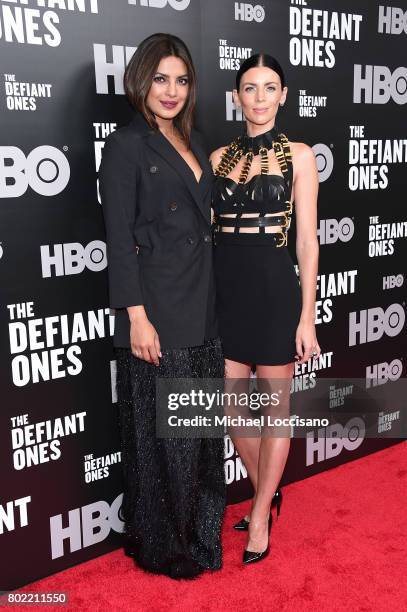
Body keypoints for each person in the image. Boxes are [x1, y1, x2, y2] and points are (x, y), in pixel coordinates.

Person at [99, 33, 225, 579]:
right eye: (160, 79)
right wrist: (137, 317)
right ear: (140, 81)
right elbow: (118, 238)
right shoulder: (126, 146)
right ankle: (164, 544)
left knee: (200, 431)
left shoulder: (196, 141)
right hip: (160, 310)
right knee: (167, 439)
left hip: (205, 306)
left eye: (181, 79)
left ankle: (202, 534)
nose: (171, 90)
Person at [210, 53, 321, 565]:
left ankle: (258, 516)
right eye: (249, 87)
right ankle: (266, 493)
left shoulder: (300, 156)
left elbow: (307, 241)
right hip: (228, 291)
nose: (259, 96)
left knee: (275, 407)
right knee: (232, 407)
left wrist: (307, 315)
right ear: (237, 97)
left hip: (276, 289)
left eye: (269, 87)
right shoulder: (215, 160)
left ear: (283, 95)